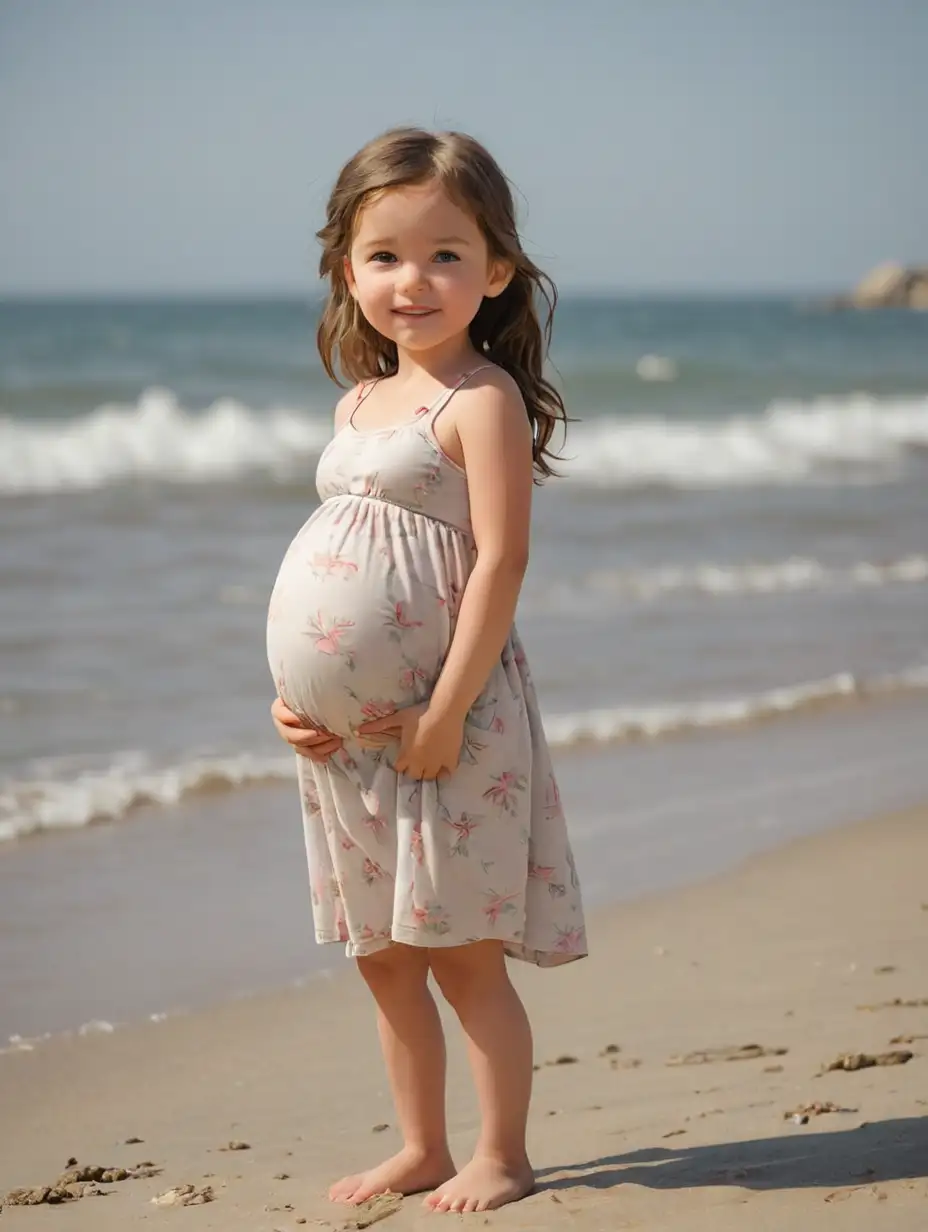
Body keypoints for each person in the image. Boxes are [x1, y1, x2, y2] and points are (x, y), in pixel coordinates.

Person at [266, 127, 587, 1216]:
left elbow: (500, 561)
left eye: (447, 254)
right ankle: (420, 1143)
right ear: (346, 272)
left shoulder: (479, 400)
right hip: (348, 743)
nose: (415, 280)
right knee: (384, 955)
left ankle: (502, 1150)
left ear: (496, 271)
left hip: (450, 727)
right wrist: (299, 693)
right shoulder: (357, 403)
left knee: (461, 956)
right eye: (386, 256)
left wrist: (445, 712)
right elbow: (339, 563)